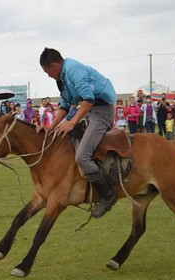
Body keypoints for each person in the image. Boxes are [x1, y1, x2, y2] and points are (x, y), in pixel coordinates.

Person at [38, 47, 117, 219]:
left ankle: (108, 196)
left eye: (47, 72)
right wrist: (51, 128)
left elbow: (89, 100)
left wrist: (72, 123)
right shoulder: (62, 78)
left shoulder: (74, 70)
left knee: (82, 156)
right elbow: (65, 106)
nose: (48, 76)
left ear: (53, 65)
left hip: (101, 111)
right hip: (90, 111)